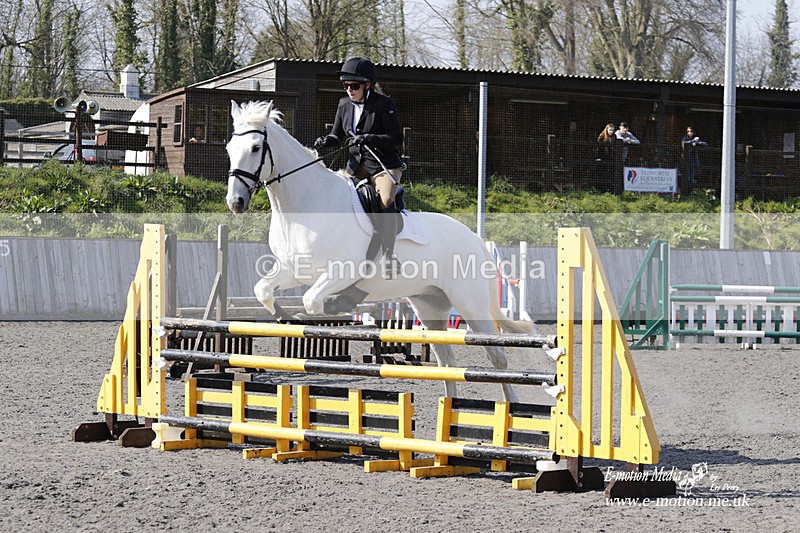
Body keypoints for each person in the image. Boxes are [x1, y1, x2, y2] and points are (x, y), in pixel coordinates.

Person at [314, 57, 404, 277]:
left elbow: (396, 137)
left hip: (383, 165)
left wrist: (370, 138)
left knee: (384, 201)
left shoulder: (384, 104)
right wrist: (327, 140)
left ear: (367, 85)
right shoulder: (343, 104)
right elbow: (337, 134)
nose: (349, 90)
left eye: (354, 86)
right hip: (355, 165)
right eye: (345, 86)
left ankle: (390, 256)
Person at [681, 126, 707, 193]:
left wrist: (696, 143)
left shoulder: (695, 139)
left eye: (691, 131)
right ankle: (686, 193)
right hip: (686, 162)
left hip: (694, 162)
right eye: (688, 131)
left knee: (693, 178)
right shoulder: (685, 139)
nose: (689, 132)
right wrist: (693, 141)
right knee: (687, 179)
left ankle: (691, 192)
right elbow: (685, 144)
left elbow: (705, 144)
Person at [593, 123, 617, 192]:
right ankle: (601, 189)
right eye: (610, 130)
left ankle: (610, 189)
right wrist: (598, 157)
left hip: (611, 158)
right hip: (603, 157)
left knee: (610, 173)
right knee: (602, 173)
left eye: (612, 130)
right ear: (607, 130)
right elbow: (598, 148)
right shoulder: (602, 136)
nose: (611, 132)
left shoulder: (614, 137)